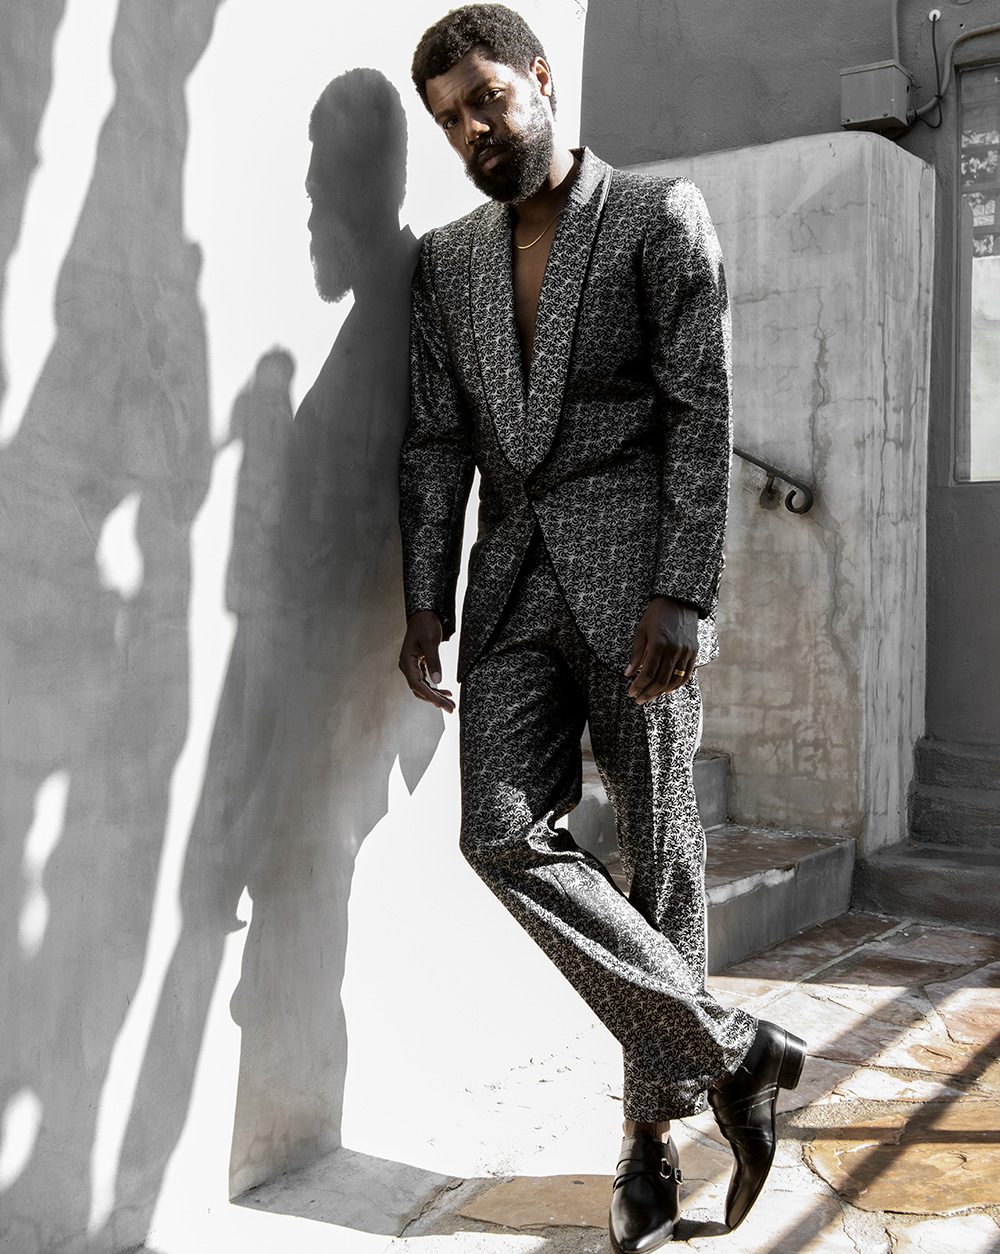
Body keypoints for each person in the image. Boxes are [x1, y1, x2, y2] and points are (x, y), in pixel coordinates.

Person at [397, 6, 807, 1248]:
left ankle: (646, 1146)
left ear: (539, 77)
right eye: (449, 120)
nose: (473, 130)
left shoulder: (654, 214)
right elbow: (437, 439)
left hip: (638, 594)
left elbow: (699, 410)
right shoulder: (445, 261)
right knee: (498, 834)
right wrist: (425, 592)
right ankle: (733, 1054)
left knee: (659, 855)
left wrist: (685, 589)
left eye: (485, 99)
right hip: (510, 588)